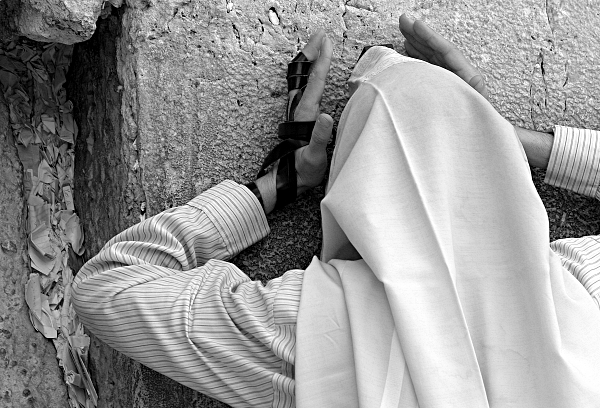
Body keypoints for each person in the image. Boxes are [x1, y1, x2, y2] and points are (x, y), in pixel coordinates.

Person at [71, 14, 600, 408]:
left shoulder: (316, 326)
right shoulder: (579, 292)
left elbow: (107, 287)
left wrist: (278, 184)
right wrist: (495, 140)